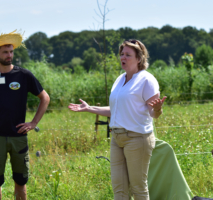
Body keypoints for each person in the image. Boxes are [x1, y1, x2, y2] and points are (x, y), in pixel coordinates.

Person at [69, 39, 166, 200]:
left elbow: (153, 113)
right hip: (117, 139)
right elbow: (115, 111)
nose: (123, 57)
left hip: (137, 139)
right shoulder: (119, 79)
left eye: (128, 54)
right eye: (122, 54)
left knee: (138, 189)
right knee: (119, 191)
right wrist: (89, 108)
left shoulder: (146, 80)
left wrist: (157, 109)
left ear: (139, 58)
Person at [0, 30, 50, 200]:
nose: (9, 55)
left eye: (11, 51)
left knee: (21, 181)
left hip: (18, 136)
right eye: (5, 52)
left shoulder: (23, 75)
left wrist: (33, 123)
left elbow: (45, 98)